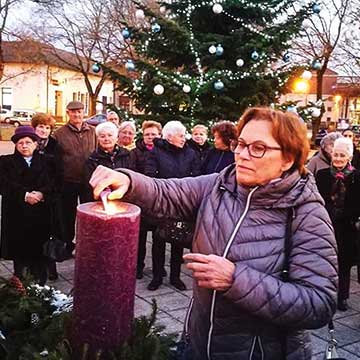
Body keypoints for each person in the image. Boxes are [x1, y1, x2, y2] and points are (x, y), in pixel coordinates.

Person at [90, 107, 337, 359]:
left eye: (258, 148)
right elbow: (166, 192)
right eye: (241, 144)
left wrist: (235, 279)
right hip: (198, 344)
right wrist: (127, 180)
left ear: (288, 158)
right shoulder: (221, 184)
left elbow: (319, 303)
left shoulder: (306, 213)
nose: (241, 155)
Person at [144, 120, 201, 291]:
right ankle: (157, 276)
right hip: (161, 203)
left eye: (184, 135)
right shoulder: (156, 152)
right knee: (158, 240)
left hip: (182, 203)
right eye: (181, 135)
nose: (185, 138)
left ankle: (175, 277)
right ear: (169, 137)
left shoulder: (190, 153)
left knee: (178, 241)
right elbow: (150, 176)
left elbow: (196, 176)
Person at [0, 126, 55, 285]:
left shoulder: (48, 161)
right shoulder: (5, 162)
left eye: (28, 142)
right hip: (17, 213)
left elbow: (56, 183)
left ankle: (40, 286)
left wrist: (41, 194)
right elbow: (4, 184)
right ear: (16, 146)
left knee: (40, 253)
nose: (24, 146)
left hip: (41, 213)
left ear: (36, 144)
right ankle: (20, 284)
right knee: (20, 253)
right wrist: (24, 195)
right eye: (20, 143)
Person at [316, 137, 360, 311]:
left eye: (342, 155)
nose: (338, 158)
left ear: (349, 157)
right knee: (324, 261)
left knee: (343, 263)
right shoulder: (323, 175)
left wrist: (345, 215)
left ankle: (342, 296)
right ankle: (323, 293)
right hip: (326, 225)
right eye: (336, 154)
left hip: (347, 228)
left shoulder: (357, 177)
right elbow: (318, 199)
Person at [53, 101, 96, 253]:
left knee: (88, 214)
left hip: (88, 182)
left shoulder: (93, 131)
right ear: (68, 113)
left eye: (79, 111)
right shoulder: (59, 134)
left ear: (83, 112)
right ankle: (68, 245)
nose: (76, 115)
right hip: (68, 181)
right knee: (67, 216)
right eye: (73, 112)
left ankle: (87, 245)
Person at [32, 112, 64, 280]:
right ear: (34, 128)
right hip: (31, 197)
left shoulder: (54, 146)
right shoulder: (29, 144)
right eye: (41, 127)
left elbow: (59, 174)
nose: (44, 130)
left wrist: (47, 192)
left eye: (47, 127)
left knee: (50, 233)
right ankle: (34, 268)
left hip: (50, 197)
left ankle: (51, 268)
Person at [130, 120, 162, 279]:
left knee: (159, 236)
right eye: (147, 134)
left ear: (160, 135)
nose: (150, 137)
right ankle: (138, 266)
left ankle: (159, 267)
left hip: (158, 199)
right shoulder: (135, 153)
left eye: (154, 134)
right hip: (141, 198)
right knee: (140, 237)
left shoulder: (163, 151)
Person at [84, 122, 133, 201]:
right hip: (102, 199)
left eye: (110, 135)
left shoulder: (127, 155)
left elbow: (132, 176)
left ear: (116, 137)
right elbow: (89, 184)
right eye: (102, 136)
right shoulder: (92, 159)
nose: (106, 139)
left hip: (125, 197)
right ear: (98, 139)